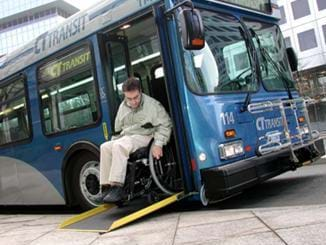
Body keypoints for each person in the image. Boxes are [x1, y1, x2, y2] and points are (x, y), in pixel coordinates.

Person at [100, 77, 172, 203]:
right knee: (105, 147)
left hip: (146, 136)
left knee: (120, 146)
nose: (133, 102)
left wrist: (158, 144)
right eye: (129, 99)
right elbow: (118, 131)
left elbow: (166, 125)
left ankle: (118, 187)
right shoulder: (123, 107)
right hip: (127, 137)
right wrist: (114, 143)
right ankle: (106, 187)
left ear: (140, 91)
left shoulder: (152, 105)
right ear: (125, 95)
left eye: (136, 97)